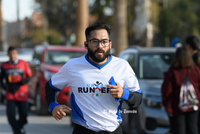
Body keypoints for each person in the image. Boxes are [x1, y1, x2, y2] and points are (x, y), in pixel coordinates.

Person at [45, 22, 142, 134]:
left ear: (110, 44)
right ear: (86, 45)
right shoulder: (72, 66)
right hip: (83, 130)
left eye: (104, 42)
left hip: (113, 130)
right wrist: (53, 106)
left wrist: (124, 93)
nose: (100, 46)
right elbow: (50, 86)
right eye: (95, 42)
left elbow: (137, 99)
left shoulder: (122, 66)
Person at [161, 46, 200, 134]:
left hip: (176, 107)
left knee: (179, 129)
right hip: (193, 106)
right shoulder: (195, 70)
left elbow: (166, 90)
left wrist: (166, 104)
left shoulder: (172, 72)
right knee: (193, 128)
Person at [0, 46, 32, 134]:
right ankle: (17, 132)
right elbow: (1, 79)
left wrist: (23, 81)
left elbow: (29, 76)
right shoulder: (4, 65)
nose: (12, 56)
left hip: (22, 94)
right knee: (11, 116)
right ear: (8, 55)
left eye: (14, 54)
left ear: (17, 54)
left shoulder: (23, 63)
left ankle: (18, 128)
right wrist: (5, 87)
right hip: (10, 94)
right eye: (10, 54)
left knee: (24, 116)